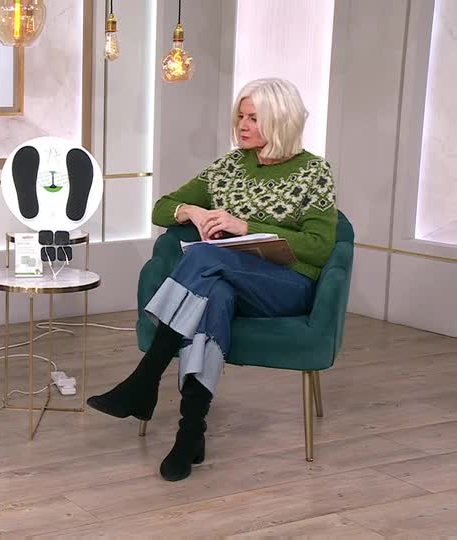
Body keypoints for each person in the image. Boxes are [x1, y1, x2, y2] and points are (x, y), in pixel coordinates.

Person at [87, 78, 337, 482]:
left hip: (286, 286)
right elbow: (161, 208)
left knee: (204, 256)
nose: (243, 124)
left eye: (255, 118)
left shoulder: (313, 172)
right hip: (228, 278)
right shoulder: (228, 167)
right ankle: (190, 434)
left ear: (281, 120)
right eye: (241, 115)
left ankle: (145, 379)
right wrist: (194, 212)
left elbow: (320, 246)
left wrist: (244, 226)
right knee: (213, 295)